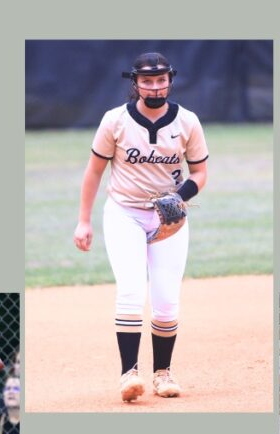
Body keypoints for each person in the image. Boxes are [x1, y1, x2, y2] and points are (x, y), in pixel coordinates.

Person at [72, 51, 209, 402]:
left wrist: (180, 197)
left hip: (170, 217)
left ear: (170, 81)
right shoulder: (115, 121)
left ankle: (163, 373)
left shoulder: (188, 122)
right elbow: (94, 172)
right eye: (147, 81)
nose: (155, 87)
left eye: (161, 80)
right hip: (125, 213)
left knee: (166, 300)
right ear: (135, 84)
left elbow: (200, 173)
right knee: (131, 291)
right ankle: (129, 374)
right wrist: (84, 220)